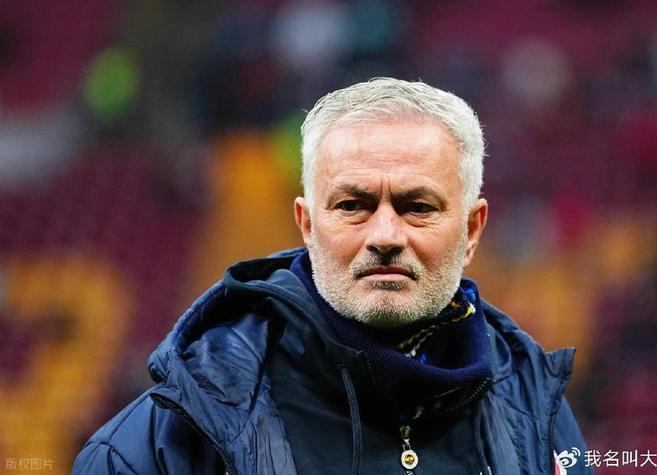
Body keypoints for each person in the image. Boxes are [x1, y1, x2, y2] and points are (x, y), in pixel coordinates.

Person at [73, 78, 589, 474]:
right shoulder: (165, 437)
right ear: (306, 225)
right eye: (352, 205)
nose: (385, 235)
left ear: (472, 230)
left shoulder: (537, 413)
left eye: (417, 207)